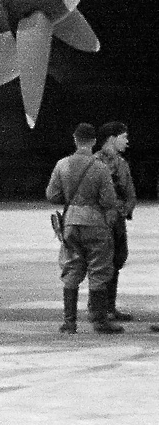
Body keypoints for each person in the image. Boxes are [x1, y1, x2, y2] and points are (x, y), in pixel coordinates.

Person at [46, 123, 123, 334]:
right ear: (94, 142)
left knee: (71, 268)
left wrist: (72, 200)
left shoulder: (62, 164)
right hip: (96, 224)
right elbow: (109, 200)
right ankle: (99, 321)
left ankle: (69, 322)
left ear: (75, 139)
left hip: (70, 223)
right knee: (99, 270)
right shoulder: (100, 167)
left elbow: (52, 195)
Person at [96, 122, 137, 322]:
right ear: (112, 138)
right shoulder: (94, 162)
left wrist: (124, 209)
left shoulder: (122, 163)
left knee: (118, 260)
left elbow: (130, 194)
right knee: (102, 264)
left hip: (117, 221)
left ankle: (109, 307)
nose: (127, 141)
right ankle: (99, 308)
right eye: (124, 137)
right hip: (101, 221)